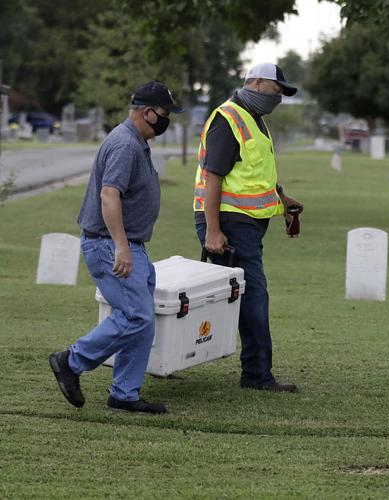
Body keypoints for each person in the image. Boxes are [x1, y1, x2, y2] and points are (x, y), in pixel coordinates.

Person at [49, 81, 184, 414]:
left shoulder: (136, 142)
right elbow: (109, 194)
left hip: (127, 244)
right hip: (110, 245)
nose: (167, 121)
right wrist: (122, 247)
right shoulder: (125, 144)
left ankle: (124, 393)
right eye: (165, 114)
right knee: (136, 315)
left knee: (143, 318)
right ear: (147, 112)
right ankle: (71, 361)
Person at [193, 63, 302, 392]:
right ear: (255, 82)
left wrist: (283, 201)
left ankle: (253, 370)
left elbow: (254, 176)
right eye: (276, 89)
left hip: (246, 224)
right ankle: (256, 374)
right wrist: (213, 230)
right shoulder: (229, 119)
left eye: (282, 92)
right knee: (254, 295)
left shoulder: (255, 120)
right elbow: (214, 176)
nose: (279, 96)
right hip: (228, 222)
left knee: (248, 295)